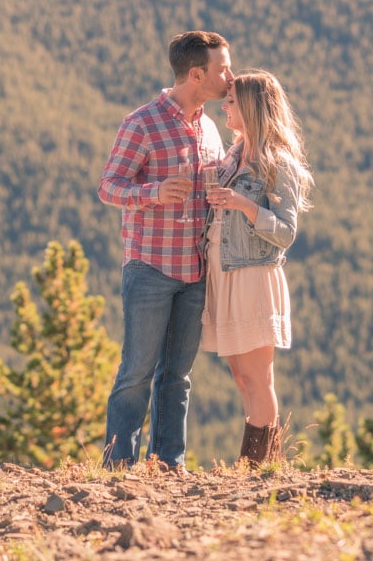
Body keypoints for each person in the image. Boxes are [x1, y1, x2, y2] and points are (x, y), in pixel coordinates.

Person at [98, 30, 234, 471]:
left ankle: (168, 465)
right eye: (222, 69)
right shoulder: (141, 123)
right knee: (136, 373)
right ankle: (118, 466)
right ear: (197, 74)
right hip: (151, 268)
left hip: (195, 270)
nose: (229, 77)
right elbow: (108, 186)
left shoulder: (210, 128)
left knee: (177, 377)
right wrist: (154, 192)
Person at [201, 69, 313, 467]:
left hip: (253, 276)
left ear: (250, 107)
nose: (224, 105)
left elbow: (285, 232)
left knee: (257, 378)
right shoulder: (235, 154)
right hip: (227, 274)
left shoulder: (276, 163)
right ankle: (267, 463)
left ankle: (254, 465)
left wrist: (243, 205)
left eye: (231, 100)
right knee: (242, 377)